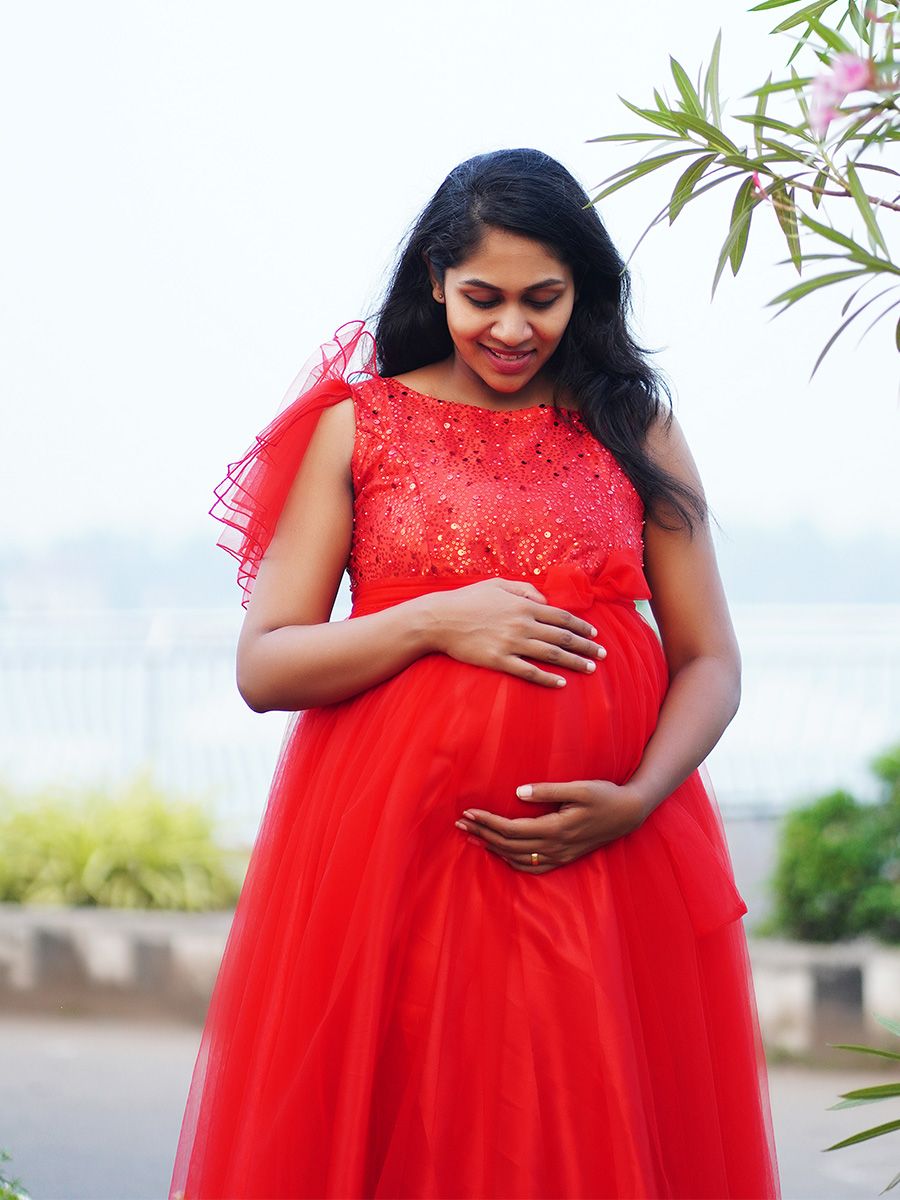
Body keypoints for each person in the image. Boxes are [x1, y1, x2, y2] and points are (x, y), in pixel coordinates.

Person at [169, 148, 780, 1200]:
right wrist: (436, 619)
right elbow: (265, 664)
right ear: (437, 282)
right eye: (482, 298)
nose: (512, 328)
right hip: (396, 863)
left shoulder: (633, 426)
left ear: (584, 290)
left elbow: (710, 660)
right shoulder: (358, 426)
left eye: (543, 298)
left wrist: (638, 798)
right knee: (416, 1133)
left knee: (584, 1136)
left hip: (601, 859)